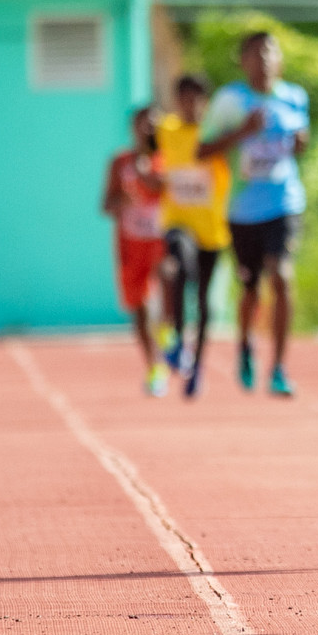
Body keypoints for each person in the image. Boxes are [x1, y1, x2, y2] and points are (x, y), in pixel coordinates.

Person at [198, 32, 309, 398]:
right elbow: (203, 150)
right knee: (251, 289)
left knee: (282, 276)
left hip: (285, 203)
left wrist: (299, 146)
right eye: (254, 53)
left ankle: (278, 366)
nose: (262, 60)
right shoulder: (231, 100)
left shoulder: (295, 97)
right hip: (243, 211)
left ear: (279, 60)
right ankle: (245, 344)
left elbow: (295, 147)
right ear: (243, 61)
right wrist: (241, 132)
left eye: (269, 52)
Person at [156, 74, 231, 398]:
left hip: (211, 229)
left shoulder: (214, 136)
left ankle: (196, 368)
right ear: (176, 100)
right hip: (177, 221)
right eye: (184, 98)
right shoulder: (165, 130)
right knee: (178, 265)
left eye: (197, 98)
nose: (191, 104)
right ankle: (174, 340)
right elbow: (144, 142)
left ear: (205, 101)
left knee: (204, 305)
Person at [102, 106, 169, 396]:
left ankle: (169, 333)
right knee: (139, 307)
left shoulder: (167, 159)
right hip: (131, 242)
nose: (148, 130)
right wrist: (123, 204)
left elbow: (167, 188)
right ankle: (154, 367)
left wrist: (146, 178)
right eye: (143, 124)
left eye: (154, 125)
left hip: (162, 239)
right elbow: (106, 204)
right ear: (133, 127)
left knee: (169, 277)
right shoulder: (120, 161)